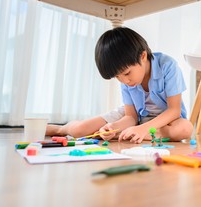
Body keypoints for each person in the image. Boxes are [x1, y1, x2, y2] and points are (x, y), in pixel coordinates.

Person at [46, 27, 193, 143]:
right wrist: (113, 128)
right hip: (136, 118)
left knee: (185, 129)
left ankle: (131, 133)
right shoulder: (126, 78)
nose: (124, 81)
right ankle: (60, 129)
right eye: (117, 77)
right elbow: (131, 116)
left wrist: (143, 128)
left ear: (143, 56)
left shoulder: (167, 65)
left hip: (167, 119)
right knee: (80, 130)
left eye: (127, 73)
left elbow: (174, 110)